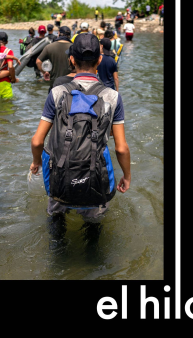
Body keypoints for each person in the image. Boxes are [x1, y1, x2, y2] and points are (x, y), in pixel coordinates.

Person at [30, 33, 130, 243]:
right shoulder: (113, 97)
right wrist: (126, 176)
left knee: (57, 218)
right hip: (94, 172)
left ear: (72, 60)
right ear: (100, 59)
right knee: (93, 226)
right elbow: (121, 148)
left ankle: (58, 256)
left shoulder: (57, 92)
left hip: (60, 170)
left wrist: (36, 161)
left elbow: (37, 141)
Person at [36, 26, 73, 90]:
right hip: (70, 84)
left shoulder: (49, 47)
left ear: (58, 33)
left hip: (54, 84)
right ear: (69, 35)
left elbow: (38, 61)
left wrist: (44, 72)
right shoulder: (74, 47)